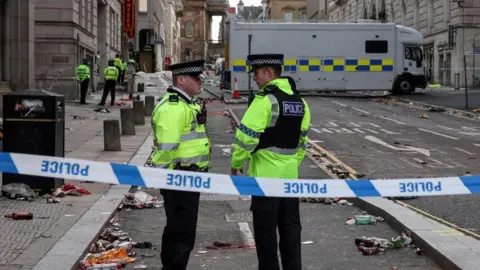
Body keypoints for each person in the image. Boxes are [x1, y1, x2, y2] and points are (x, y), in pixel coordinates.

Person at [230, 54, 311, 270]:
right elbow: (302, 143)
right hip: (290, 181)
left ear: (269, 72)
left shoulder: (265, 100)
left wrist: (237, 162)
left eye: (256, 74)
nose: (254, 78)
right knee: (291, 235)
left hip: (264, 182)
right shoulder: (300, 102)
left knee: (266, 240)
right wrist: (289, 164)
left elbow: (246, 136)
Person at [151, 60, 210, 270]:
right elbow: (166, 148)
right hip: (179, 178)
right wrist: (163, 178)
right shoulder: (174, 108)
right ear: (182, 79)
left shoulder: (186, 104)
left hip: (187, 178)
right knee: (181, 236)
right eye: (196, 78)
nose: (200, 81)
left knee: (181, 233)